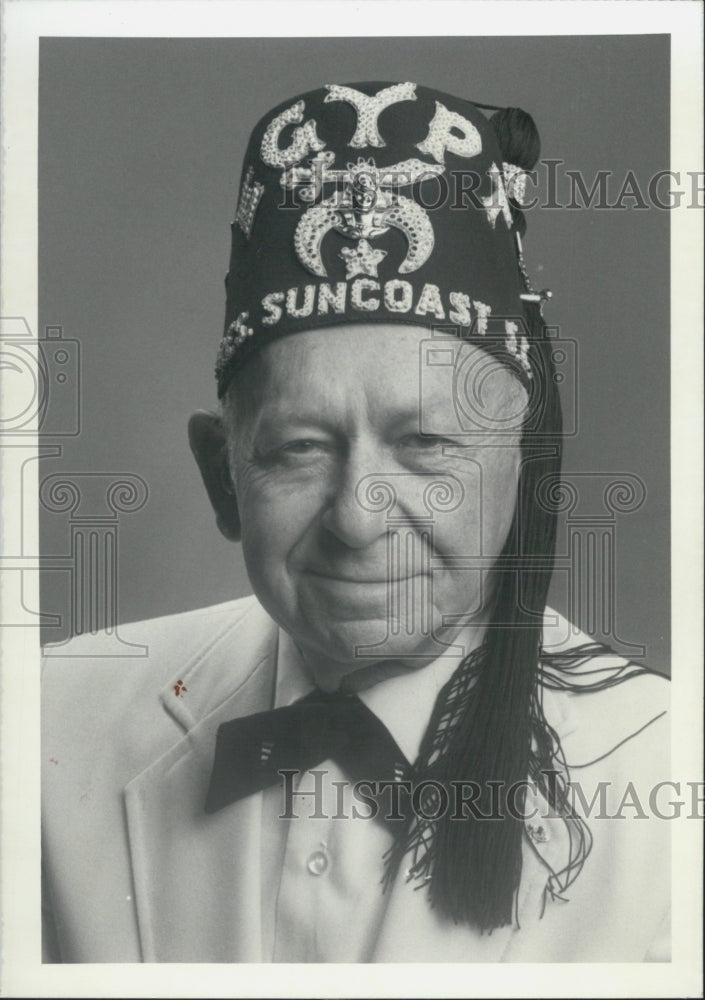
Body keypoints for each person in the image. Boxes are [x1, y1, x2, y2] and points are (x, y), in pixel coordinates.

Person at [42, 81, 670, 963]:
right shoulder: (37, 728)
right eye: (300, 447)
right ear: (222, 478)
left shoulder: (671, 791)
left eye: (425, 443)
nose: (357, 517)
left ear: (518, 469)